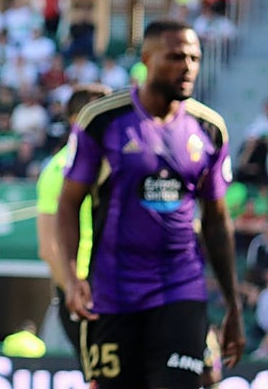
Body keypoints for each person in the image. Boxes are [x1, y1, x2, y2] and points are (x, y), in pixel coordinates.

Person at [57, 20, 244, 388]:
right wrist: (71, 277)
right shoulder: (103, 120)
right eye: (176, 57)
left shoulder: (209, 128)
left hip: (180, 289)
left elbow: (217, 221)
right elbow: (68, 204)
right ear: (147, 59)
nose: (187, 67)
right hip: (112, 292)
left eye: (194, 58)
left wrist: (232, 304)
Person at [36, 82, 112, 360]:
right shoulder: (59, 169)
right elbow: (48, 247)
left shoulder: (119, 162)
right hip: (85, 286)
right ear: (76, 120)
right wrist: (75, 288)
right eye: (101, 112)